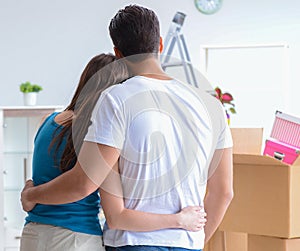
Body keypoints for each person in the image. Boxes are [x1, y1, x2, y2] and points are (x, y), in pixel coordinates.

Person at [21, 4, 233, 251]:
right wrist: (193, 240)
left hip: (132, 243)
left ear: (118, 54)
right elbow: (224, 193)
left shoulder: (115, 99)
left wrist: (30, 195)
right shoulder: (211, 105)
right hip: (187, 242)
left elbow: (86, 182)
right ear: (161, 45)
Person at [20, 53, 206, 251]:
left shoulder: (48, 122)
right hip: (76, 239)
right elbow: (113, 212)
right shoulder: (98, 135)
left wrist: (31, 195)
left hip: (33, 234)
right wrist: (179, 220)